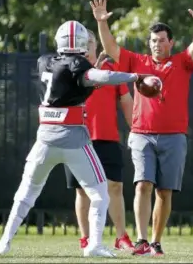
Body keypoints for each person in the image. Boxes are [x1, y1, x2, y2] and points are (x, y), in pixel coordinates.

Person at [0, 20, 150, 258]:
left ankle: (4, 242)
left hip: (45, 140)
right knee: (99, 192)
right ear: (82, 43)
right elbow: (97, 77)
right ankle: (93, 244)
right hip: (74, 140)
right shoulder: (79, 65)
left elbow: (73, 84)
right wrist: (135, 76)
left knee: (26, 192)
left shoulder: (44, 62)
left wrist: (93, 70)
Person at [90, 0, 193, 256]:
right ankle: (141, 240)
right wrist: (101, 23)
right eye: (153, 41)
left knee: (165, 192)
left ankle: (155, 242)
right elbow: (110, 48)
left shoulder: (181, 62)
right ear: (149, 43)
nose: (157, 45)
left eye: (162, 40)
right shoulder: (137, 62)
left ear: (171, 42)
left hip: (174, 137)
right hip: (142, 134)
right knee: (142, 184)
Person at [64, 29, 134, 250]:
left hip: (107, 137)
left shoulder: (112, 70)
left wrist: (136, 129)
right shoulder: (70, 69)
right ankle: (85, 239)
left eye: (90, 43)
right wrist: (94, 69)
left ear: (95, 46)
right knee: (82, 190)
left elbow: (125, 100)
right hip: (77, 137)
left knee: (114, 186)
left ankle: (121, 237)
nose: (87, 47)